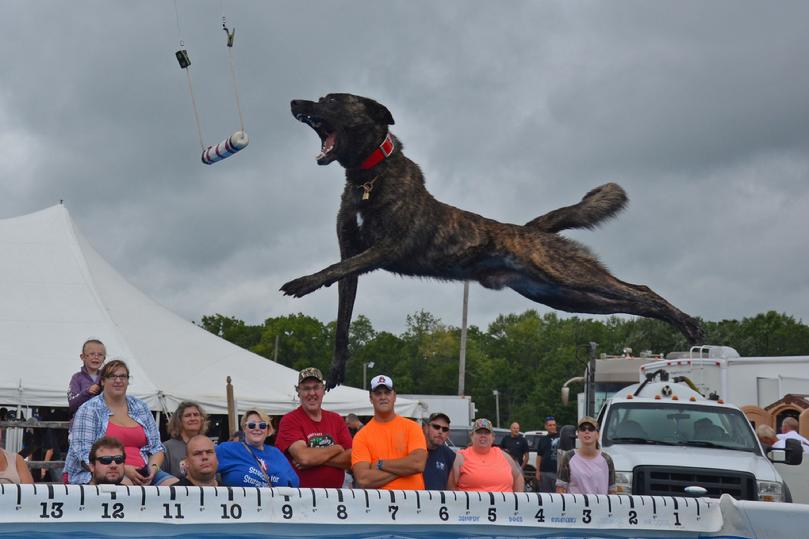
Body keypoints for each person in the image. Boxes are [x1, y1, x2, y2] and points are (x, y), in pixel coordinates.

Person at [64, 359, 178, 486]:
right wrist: (123, 469)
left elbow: (156, 447)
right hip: (103, 472)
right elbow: (83, 454)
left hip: (143, 470)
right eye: (112, 376)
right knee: (126, 489)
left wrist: (153, 468)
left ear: (128, 381)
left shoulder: (140, 407)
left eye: (122, 376)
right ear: (102, 381)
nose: (118, 380)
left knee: (175, 487)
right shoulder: (89, 409)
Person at [275, 367, 353, 488]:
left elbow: (351, 459)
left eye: (316, 387)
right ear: (298, 392)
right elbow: (304, 457)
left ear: (323, 390)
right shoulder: (290, 420)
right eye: (306, 388)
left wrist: (315, 459)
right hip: (301, 498)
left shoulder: (336, 419)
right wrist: (337, 448)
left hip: (335, 498)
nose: (312, 393)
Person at [351, 375, 427, 490]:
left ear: (394, 396)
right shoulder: (361, 436)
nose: (383, 397)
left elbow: (418, 464)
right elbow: (363, 479)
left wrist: (380, 464)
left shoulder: (412, 427)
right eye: (378, 393)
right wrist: (405, 470)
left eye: (387, 392)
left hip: (412, 503)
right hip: (379, 504)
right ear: (371, 399)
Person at [216, 409, 299, 488]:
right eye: (251, 425)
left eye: (262, 425)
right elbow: (205, 465)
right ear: (244, 428)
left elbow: (294, 483)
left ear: (268, 430)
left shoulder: (276, 453)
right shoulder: (227, 449)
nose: (257, 428)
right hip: (238, 502)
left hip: (274, 502)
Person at [450, 418, 524, 492]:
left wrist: (518, 499)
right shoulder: (460, 457)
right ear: (471, 436)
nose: (483, 435)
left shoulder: (504, 456)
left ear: (493, 437)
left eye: (487, 433)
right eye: (479, 432)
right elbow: (450, 487)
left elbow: (518, 477)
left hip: (505, 502)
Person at [556, 416, 615, 495]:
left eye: (591, 429)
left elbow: (612, 490)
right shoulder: (568, 457)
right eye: (583, 429)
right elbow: (561, 488)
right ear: (578, 434)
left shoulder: (607, 459)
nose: (587, 431)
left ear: (597, 434)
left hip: (600, 506)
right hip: (575, 506)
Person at [162, 401, 208, 478]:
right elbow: (158, 474)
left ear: (201, 419)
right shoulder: (167, 447)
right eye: (188, 415)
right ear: (179, 421)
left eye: (196, 415)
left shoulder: (209, 446)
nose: (193, 418)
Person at [67, 339, 106, 422]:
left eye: (100, 354)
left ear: (104, 358)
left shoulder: (107, 377)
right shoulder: (76, 378)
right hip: (81, 422)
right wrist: (87, 392)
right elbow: (72, 405)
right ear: (83, 357)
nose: (96, 357)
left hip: (103, 422)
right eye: (92, 354)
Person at [423, 412, 455, 490]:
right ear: (426, 428)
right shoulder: (415, 449)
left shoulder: (449, 455)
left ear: (448, 433)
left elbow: (450, 489)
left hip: (438, 501)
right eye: (436, 427)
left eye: (445, 429)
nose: (440, 431)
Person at [535, 416, 559, 493]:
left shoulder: (561, 438)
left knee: (559, 497)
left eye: (554, 425)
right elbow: (539, 456)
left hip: (558, 473)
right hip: (544, 473)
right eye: (550, 425)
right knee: (546, 496)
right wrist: (537, 471)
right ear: (546, 426)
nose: (552, 427)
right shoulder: (542, 440)